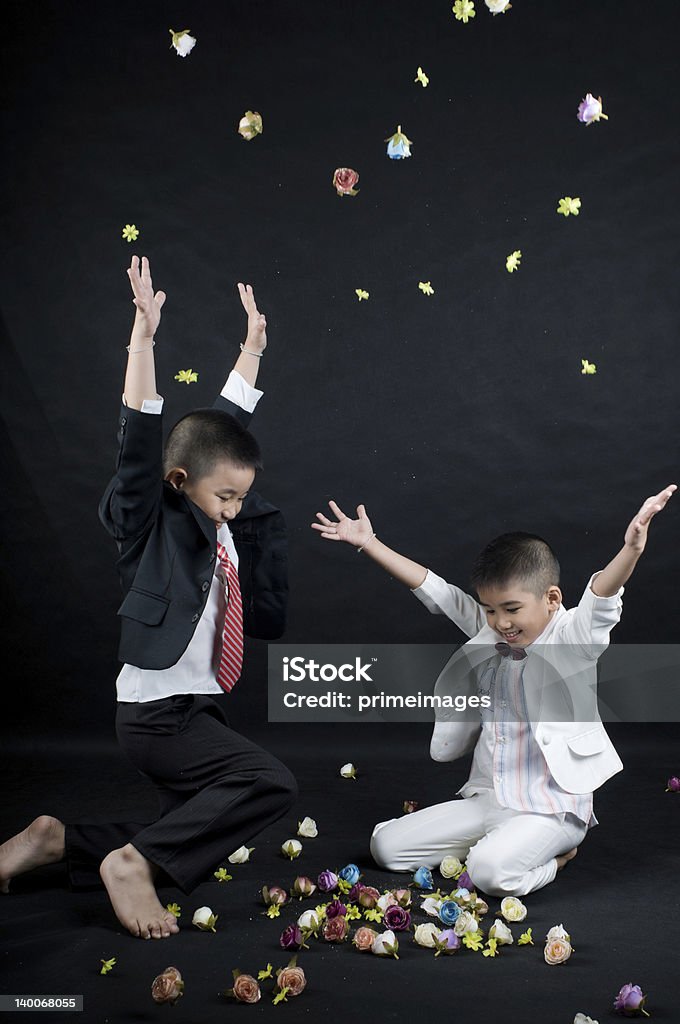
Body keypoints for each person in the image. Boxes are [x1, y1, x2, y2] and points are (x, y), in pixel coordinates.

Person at [0, 255, 297, 939]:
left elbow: (221, 427)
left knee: (192, 824)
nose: (232, 510)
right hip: (157, 715)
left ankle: (57, 841)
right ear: (178, 480)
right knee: (271, 783)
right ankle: (128, 865)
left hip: (199, 708)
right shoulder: (148, 522)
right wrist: (144, 339)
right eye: (224, 497)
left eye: (240, 497)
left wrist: (250, 351)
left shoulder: (211, 497)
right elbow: (139, 439)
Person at [311, 485, 675, 896]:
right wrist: (369, 543)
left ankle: (556, 858)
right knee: (386, 849)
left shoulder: (573, 638)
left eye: (512, 609)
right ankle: (499, 845)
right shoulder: (491, 633)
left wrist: (631, 548)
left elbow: (602, 595)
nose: (500, 622)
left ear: (551, 599)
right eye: (490, 610)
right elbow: (440, 594)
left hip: (549, 808)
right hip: (489, 799)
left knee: (488, 874)